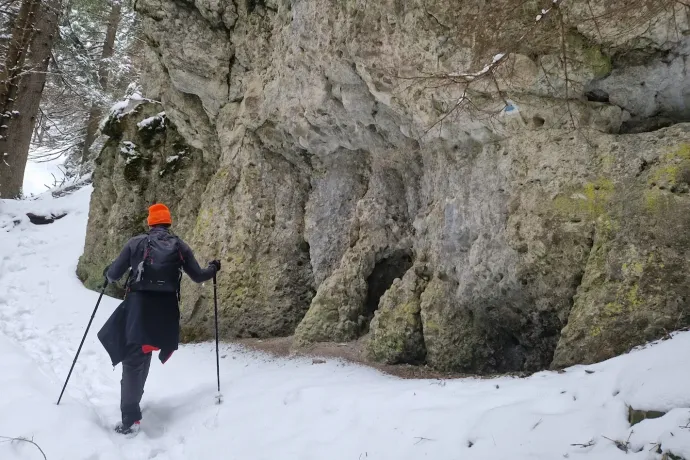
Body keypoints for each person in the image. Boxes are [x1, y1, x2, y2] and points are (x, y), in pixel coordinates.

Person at [97, 203, 221, 435]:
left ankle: (130, 418)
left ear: (151, 222)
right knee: (144, 352)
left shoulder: (136, 243)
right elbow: (198, 276)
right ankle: (133, 409)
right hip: (165, 311)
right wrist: (213, 268)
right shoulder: (180, 246)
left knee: (134, 357)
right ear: (168, 222)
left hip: (139, 307)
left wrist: (108, 271)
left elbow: (114, 275)